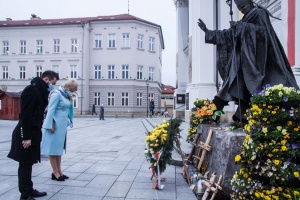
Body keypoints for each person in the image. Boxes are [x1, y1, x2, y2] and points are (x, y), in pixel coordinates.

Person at [197, 0, 299, 122]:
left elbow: (264, 33)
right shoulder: (245, 18)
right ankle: (214, 114)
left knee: (242, 88)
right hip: (241, 62)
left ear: (250, 3)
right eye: (240, 9)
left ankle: (224, 115)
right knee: (231, 86)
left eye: (244, 7)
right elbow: (229, 34)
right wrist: (208, 32)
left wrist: (242, 27)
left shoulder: (260, 13)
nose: (242, 10)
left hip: (256, 62)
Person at [7, 70, 57, 200]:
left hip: (34, 132)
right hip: (26, 133)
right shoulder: (31, 90)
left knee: (29, 163)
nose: (52, 86)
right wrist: (26, 137)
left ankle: (29, 189)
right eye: (52, 83)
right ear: (46, 80)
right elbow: (25, 116)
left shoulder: (40, 92)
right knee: (24, 164)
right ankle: (25, 195)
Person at [41, 79, 78, 182]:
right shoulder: (57, 94)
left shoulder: (64, 94)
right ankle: (55, 172)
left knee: (58, 149)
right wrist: (49, 125)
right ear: (68, 87)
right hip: (55, 125)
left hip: (61, 126)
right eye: (73, 90)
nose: (73, 92)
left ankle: (59, 171)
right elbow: (50, 110)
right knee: (53, 150)